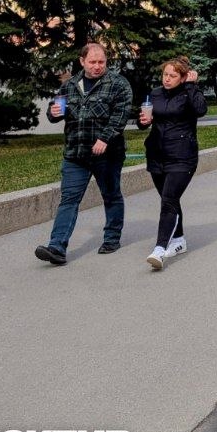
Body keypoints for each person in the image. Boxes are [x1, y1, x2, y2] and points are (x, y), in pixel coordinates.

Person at [35, 42, 134, 265]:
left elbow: (121, 115)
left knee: (111, 195)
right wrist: (53, 112)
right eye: (93, 62)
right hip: (75, 154)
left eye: (102, 62)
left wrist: (105, 138)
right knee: (69, 199)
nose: (98, 66)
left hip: (107, 154)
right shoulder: (70, 85)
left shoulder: (118, 84)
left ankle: (111, 238)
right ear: (82, 61)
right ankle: (57, 247)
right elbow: (55, 112)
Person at [138, 56, 208, 270]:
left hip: (182, 156)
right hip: (157, 155)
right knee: (170, 199)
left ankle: (159, 249)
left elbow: (201, 110)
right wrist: (143, 121)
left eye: (172, 76)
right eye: (165, 75)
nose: (167, 79)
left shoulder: (189, 93)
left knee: (168, 199)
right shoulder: (156, 93)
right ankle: (178, 240)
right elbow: (142, 118)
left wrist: (191, 86)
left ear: (183, 77)